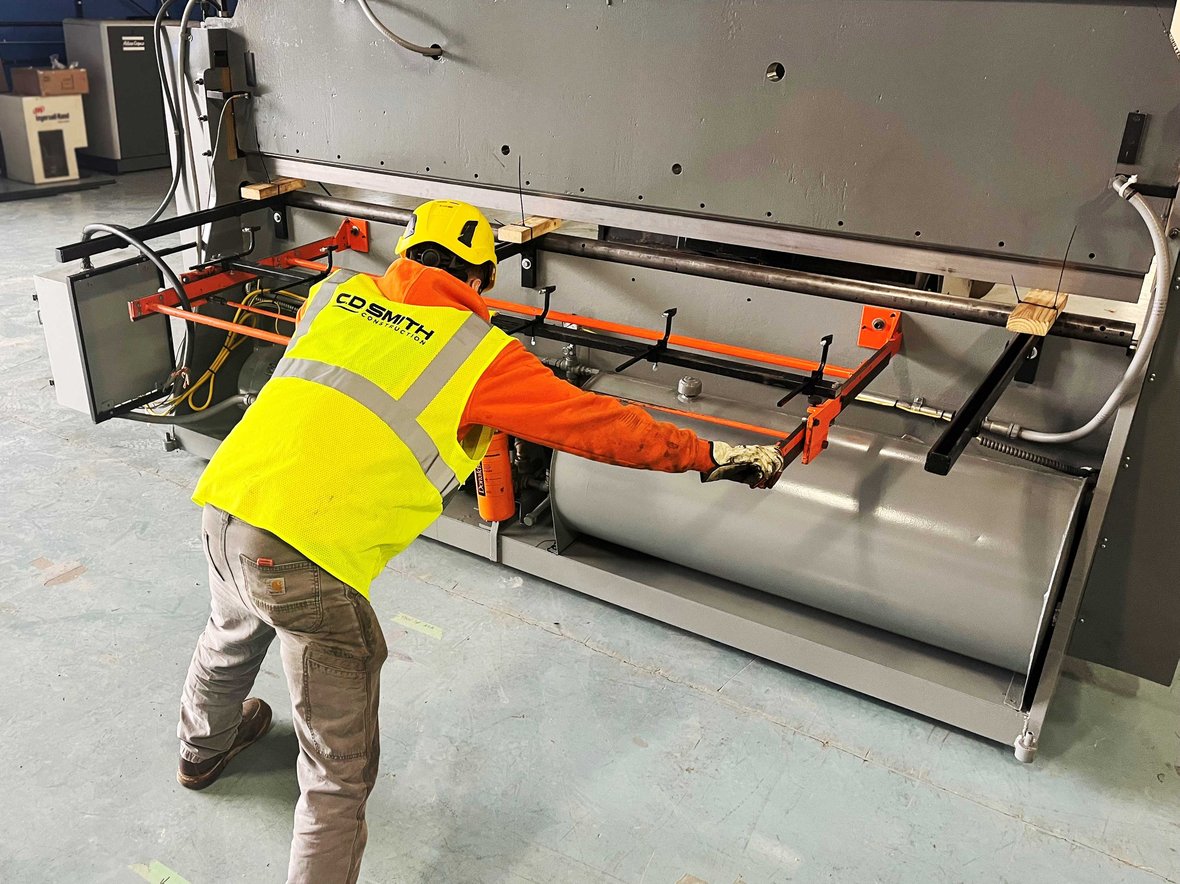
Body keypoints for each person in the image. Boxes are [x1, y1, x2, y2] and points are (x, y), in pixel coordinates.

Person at [175, 199, 785, 883]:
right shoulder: (482, 358)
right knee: (336, 771)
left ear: (406, 251)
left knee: (230, 632)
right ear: (483, 279)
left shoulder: (335, 292)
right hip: (306, 559)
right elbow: (601, 426)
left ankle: (204, 747)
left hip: (227, 504)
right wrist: (709, 454)